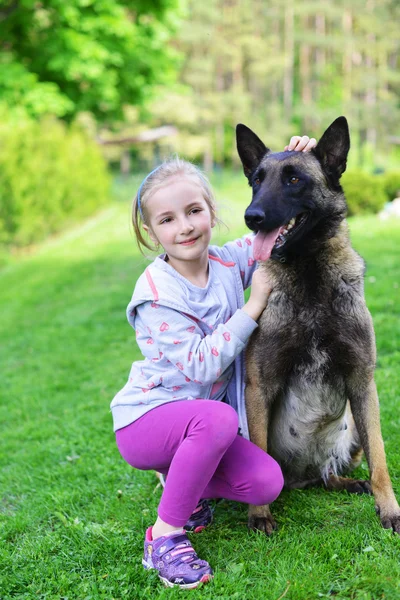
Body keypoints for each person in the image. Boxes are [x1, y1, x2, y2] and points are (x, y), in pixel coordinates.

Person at [111, 135, 317, 589]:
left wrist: (298, 158)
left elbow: (272, 232)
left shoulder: (226, 263)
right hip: (147, 423)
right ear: (151, 232)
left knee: (265, 483)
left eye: (194, 211)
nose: (184, 227)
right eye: (168, 219)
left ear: (211, 213)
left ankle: (186, 480)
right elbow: (202, 367)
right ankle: (164, 536)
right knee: (217, 418)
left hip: (205, 426)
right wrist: (253, 304)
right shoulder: (157, 295)